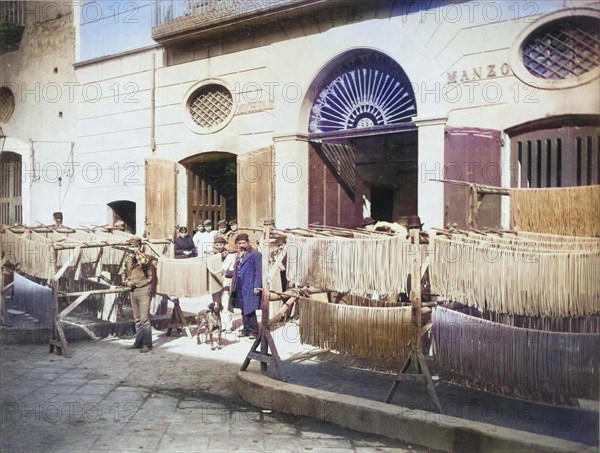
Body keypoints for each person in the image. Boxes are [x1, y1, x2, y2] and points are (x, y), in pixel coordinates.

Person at [120, 236, 155, 353]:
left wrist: (137, 253)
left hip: (144, 289)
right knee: (137, 319)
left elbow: (144, 263)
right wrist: (127, 282)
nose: (133, 248)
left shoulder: (145, 258)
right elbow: (123, 275)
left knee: (145, 319)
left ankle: (147, 344)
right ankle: (138, 342)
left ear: (140, 247)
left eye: (136, 246)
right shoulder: (127, 260)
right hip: (133, 290)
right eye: (131, 246)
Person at [226, 233, 262, 338]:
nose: (241, 245)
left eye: (243, 243)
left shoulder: (256, 254)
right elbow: (236, 269)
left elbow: (259, 272)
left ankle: (254, 331)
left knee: (250, 308)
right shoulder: (238, 254)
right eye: (239, 243)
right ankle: (246, 329)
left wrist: (257, 286)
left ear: (248, 242)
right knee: (243, 308)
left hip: (250, 284)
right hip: (239, 285)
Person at [211, 236, 234, 331]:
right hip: (215, 281)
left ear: (224, 245)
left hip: (225, 281)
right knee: (216, 304)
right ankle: (217, 323)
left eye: (221, 244)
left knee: (225, 304)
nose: (219, 246)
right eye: (217, 244)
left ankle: (227, 325)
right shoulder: (212, 256)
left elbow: (229, 269)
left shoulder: (229, 256)